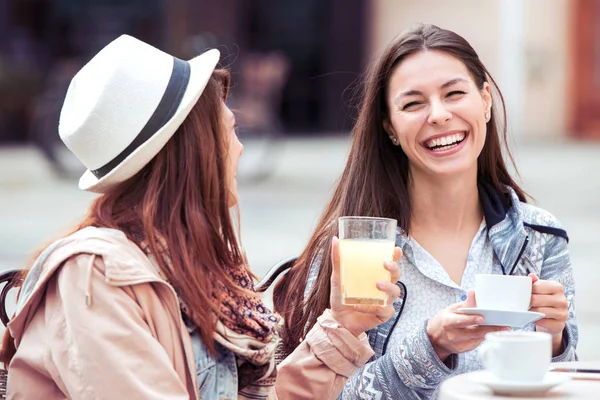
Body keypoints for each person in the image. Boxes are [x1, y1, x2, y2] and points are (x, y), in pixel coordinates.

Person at [0, 35, 403, 400]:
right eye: (230, 130)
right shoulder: (96, 276)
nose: (240, 149)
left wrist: (345, 325)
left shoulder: (194, 266)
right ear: (195, 149)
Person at [274, 23, 578, 399]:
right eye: (413, 103)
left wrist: (554, 340)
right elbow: (314, 393)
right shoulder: (352, 251)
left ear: (485, 101)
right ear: (389, 126)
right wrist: (431, 345)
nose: (438, 115)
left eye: (454, 94)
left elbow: (566, 384)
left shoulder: (540, 237)